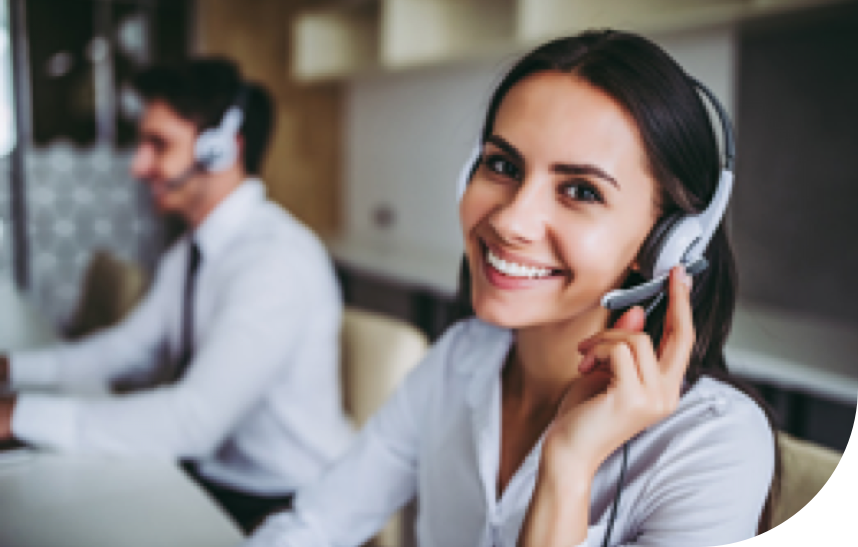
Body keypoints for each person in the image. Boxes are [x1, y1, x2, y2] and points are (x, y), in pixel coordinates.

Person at [242, 30, 779, 547]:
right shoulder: (458, 362)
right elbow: (312, 526)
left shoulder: (712, 447)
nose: (511, 220)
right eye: (502, 165)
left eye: (580, 190)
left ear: (668, 243)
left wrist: (568, 466)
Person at [0, 58, 354, 533]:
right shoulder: (191, 250)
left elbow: (192, 421)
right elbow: (127, 350)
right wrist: (12, 371)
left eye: (158, 144)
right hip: (212, 477)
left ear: (221, 150)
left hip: (281, 500)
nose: (138, 165)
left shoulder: (273, 262)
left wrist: (20, 416)